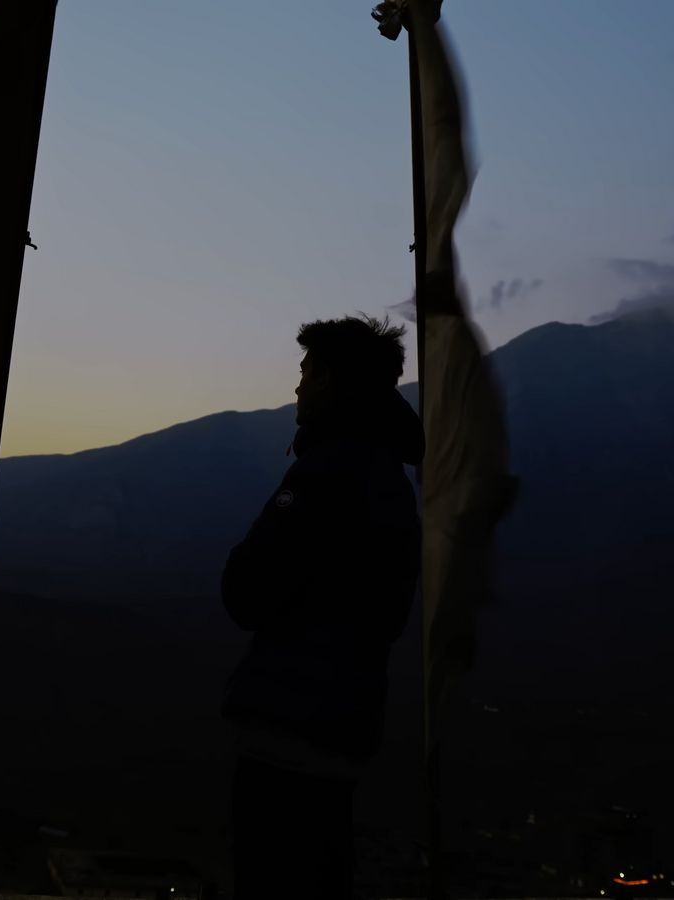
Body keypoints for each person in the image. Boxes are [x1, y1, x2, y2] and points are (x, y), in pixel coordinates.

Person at [221, 314, 423, 899]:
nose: (297, 387)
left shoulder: (330, 470)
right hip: (341, 722)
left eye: (307, 373)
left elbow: (247, 591)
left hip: (291, 722)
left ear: (333, 381)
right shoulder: (386, 474)